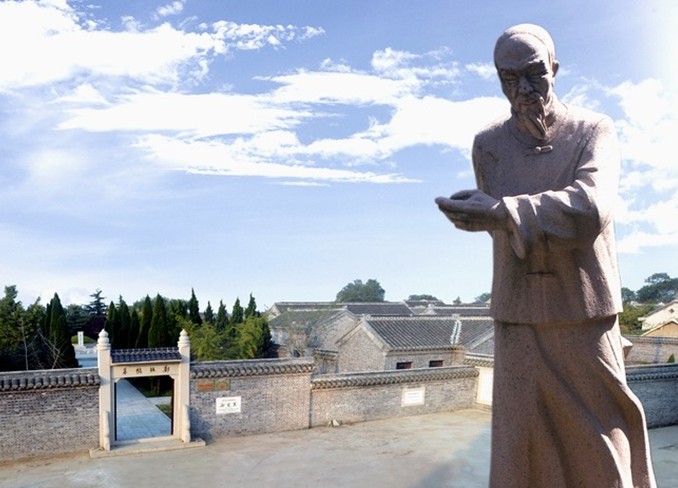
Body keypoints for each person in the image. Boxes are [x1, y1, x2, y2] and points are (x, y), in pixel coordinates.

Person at [435, 24, 656, 488]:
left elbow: (591, 207)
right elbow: (501, 227)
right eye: (509, 78)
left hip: (582, 308)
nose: (523, 88)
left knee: (602, 437)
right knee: (522, 442)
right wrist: (482, 217)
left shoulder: (593, 130)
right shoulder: (488, 145)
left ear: (554, 68)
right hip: (517, 312)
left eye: (534, 73)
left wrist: (501, 211)